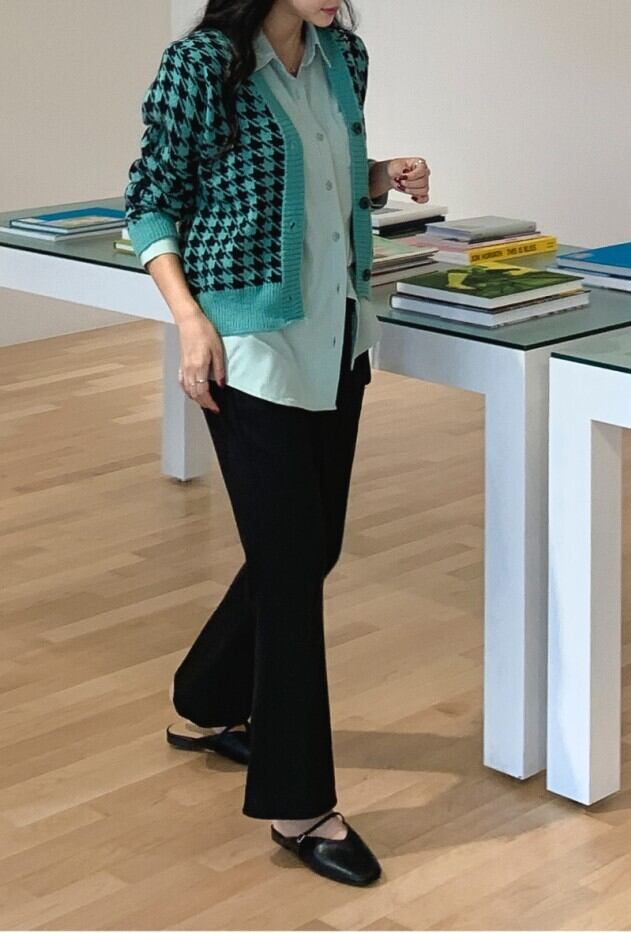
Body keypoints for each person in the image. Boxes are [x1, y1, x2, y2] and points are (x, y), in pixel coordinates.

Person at [124, 0, 431, 887]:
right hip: (248, 349)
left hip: (337, 338)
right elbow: (150, 201)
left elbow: (316, 184)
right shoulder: (202, 66)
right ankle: (300, 805)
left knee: (306, 547)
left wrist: (380, 175)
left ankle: (205, 697)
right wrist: (189, 321)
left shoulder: (343, 60)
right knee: (293, 568)